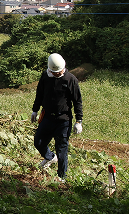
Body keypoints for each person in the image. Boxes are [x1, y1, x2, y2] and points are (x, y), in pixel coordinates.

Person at [31, 53, 83, 181]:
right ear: (50, 70)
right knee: (38, 141)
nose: (58, 74)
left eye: (60, 72)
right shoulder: (45, 76)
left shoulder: (70, 80)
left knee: (62, 149)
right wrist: (35, 110)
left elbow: (77, 101)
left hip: (63, 120)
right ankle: (49, 157)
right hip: (47, 117)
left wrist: (79, 120)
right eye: (55, 72)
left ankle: (62, 177)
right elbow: (40, 94)